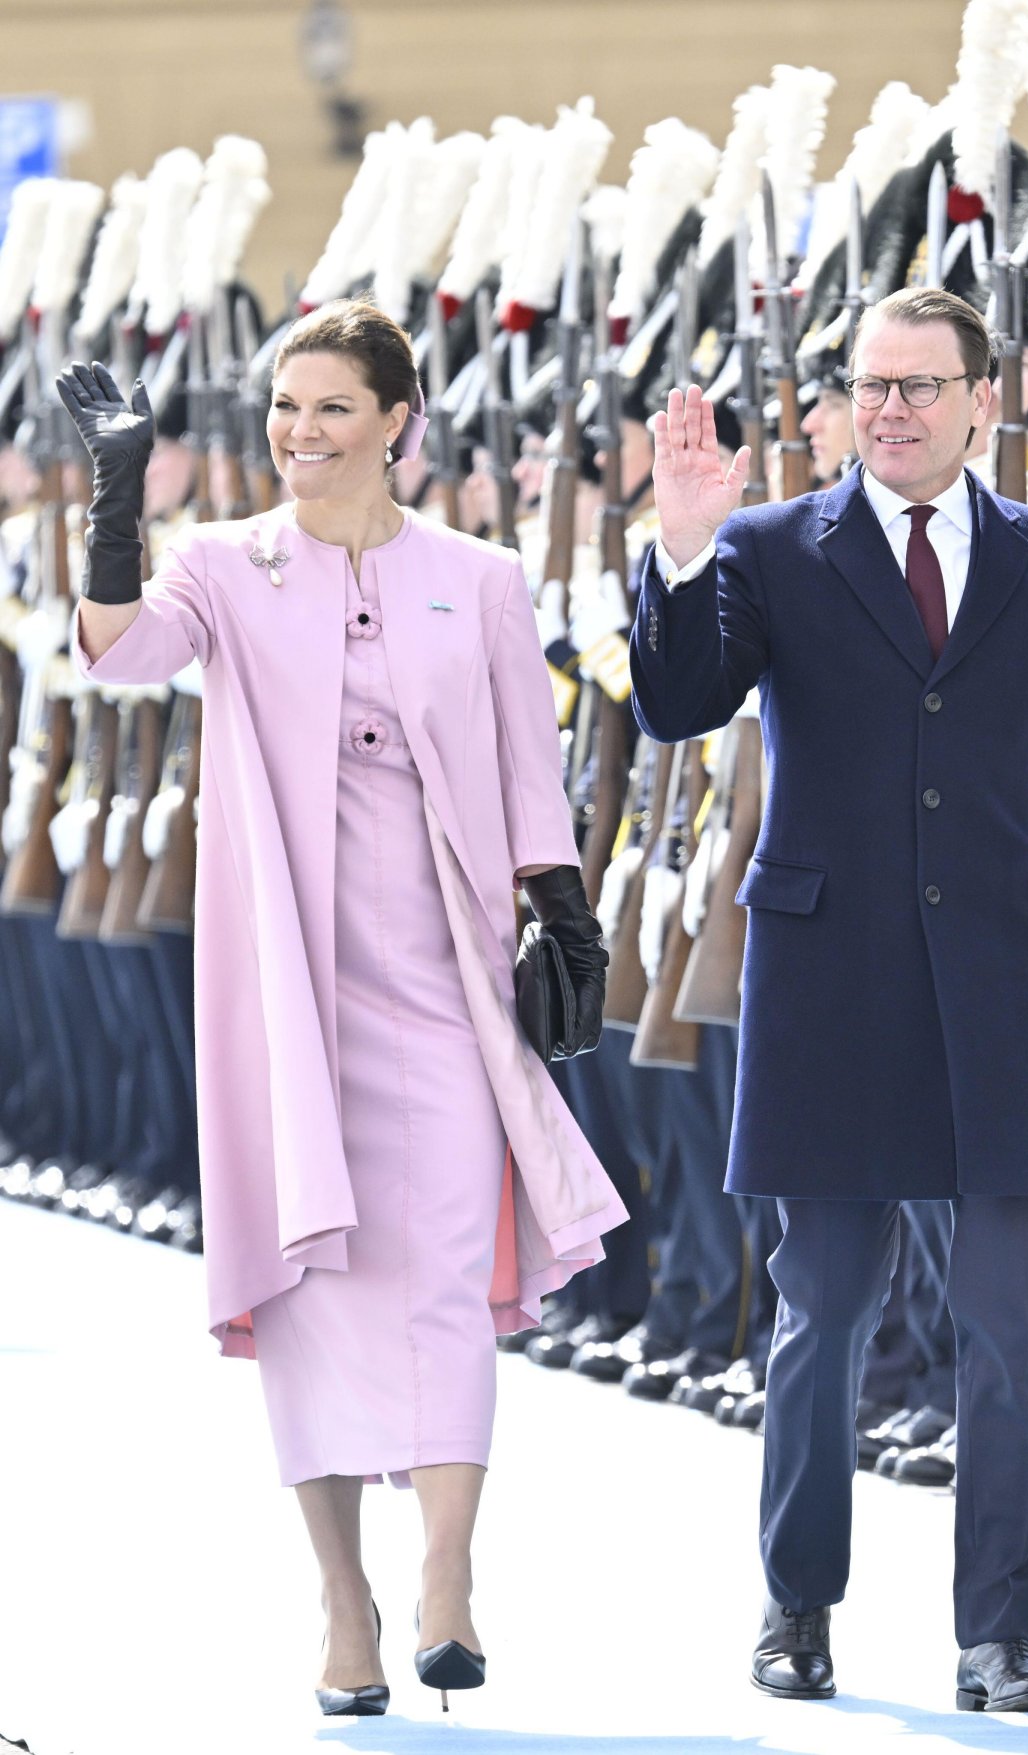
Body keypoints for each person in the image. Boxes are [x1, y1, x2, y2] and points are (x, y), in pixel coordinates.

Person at [56, 298, 627, 1718]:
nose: (300, 435)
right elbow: (115, 654)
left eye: (329, 410)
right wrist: (118, 495)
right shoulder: (223, 567)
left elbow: (527, 762)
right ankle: (344, 1603)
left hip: (445, 978)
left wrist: (561, 910)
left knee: (439, 1275)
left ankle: (446, 1578)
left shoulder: (482, 576)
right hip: (283, 986)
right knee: (304, 1283)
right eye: (283, 411)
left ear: (396, 424)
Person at [630, 285, 1028, 1712]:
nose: (893, 410)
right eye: (871, 385)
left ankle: (1000, 1633)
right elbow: (679, 703)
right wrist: (677, 552)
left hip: (1009, 989)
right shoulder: (769, 548)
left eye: (923, 385)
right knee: (825, 1312)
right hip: (832, 987)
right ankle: (797, 1604)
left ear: (987, 399)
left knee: (1012, 1328)